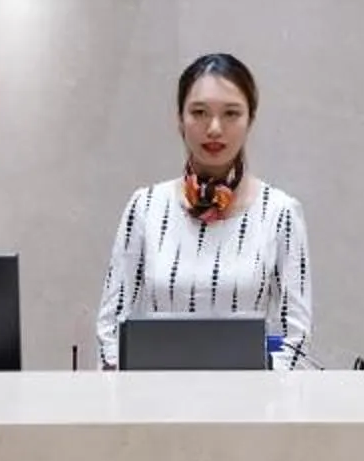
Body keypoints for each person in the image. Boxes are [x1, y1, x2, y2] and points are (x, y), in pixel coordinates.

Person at [95, 53, 313, 369]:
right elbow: (109, 330)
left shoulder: (280, 212)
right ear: (179, 119)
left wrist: (263, 400)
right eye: (199, 112)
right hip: (156, 405)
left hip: (249, 407)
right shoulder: (145, 207)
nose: (214, 128)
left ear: (250, 119)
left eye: (231, 113)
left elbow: (299, 342)